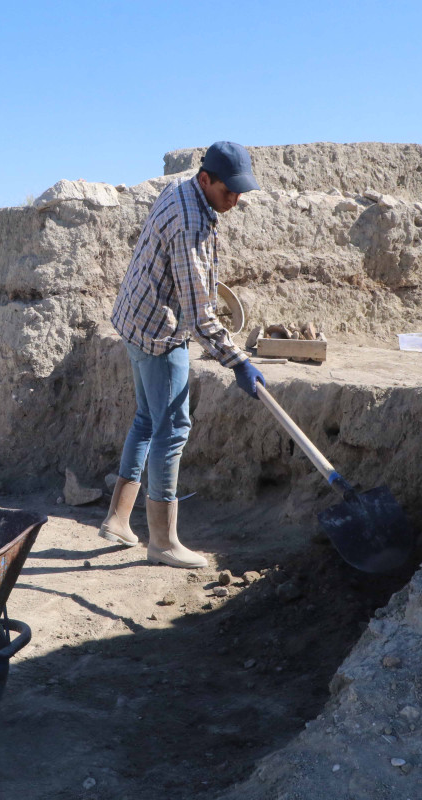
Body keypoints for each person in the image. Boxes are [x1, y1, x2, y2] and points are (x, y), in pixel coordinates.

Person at [101, 141, 265, 569]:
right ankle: (163, 542)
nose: (237, 199)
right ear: (206, 179)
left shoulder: (183, 190)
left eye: (241, 191)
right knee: (172, 428)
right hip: (158, 331)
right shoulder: (191, 219)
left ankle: (119, 518)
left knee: (146, 418)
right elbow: (198, 316)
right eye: (230, 191)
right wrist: (238, 361)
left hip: (132, 318)